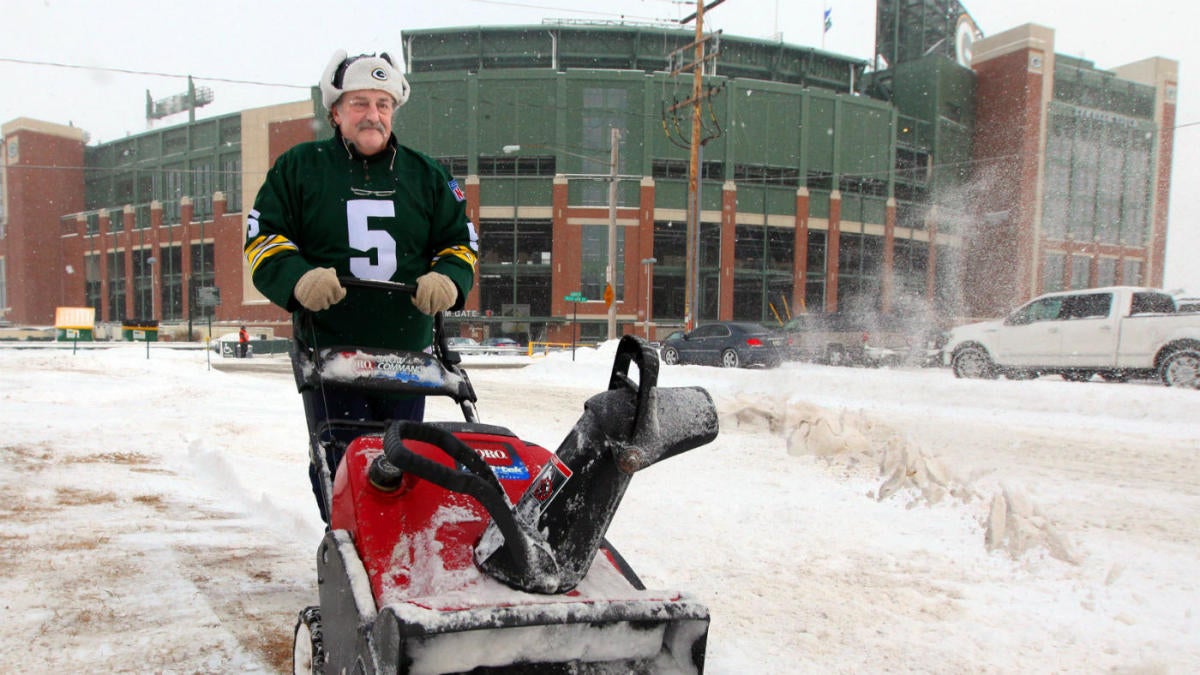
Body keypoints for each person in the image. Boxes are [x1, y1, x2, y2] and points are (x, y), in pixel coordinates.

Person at [243, 49, 478, 522]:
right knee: (342, 463)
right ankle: (352, 560)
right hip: (330, 351)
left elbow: (460, 242)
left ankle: (400, 560)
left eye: (383, 104)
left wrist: (447, 277)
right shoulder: (298, 168)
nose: (373, 114)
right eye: (359, 103)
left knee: (404, 464)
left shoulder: (428, 176)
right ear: (335, 111)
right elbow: (263, 237)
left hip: (407, 357)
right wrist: (299, 277)